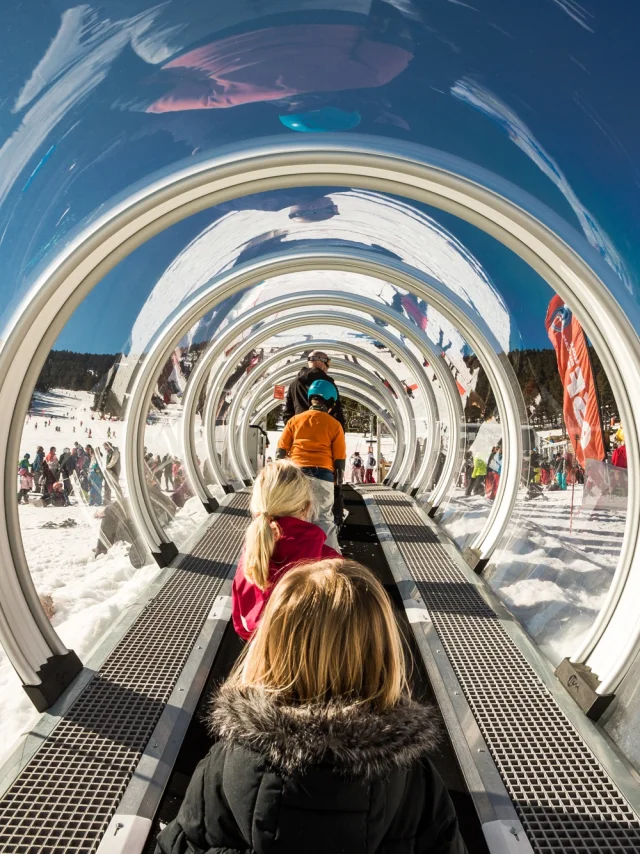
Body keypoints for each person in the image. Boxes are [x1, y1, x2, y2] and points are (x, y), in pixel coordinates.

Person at [155, 558, 466, 854]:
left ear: (269, 649)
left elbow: (183, 843)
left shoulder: (224, 763)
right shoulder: (414, 776)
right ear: (383, 657)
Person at [231, 461, 340, 641]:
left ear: (258, 509)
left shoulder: (252, 559)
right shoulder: (331, 562)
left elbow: (242, 626)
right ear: (306, 507)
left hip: (261, 656)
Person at [276, 379, 346, 551]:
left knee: (296, 517)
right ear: (330, 401)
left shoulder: (295, 421)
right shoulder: (334, 425)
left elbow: (281, 450)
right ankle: (331, 560)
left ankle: (295, 556)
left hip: (296, 475)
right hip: (323, 475)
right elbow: (339, 459)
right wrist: (338, 483)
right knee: (323, 518)